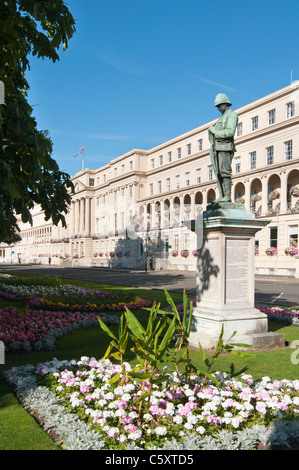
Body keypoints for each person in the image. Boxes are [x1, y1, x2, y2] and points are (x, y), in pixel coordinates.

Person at [208, 93, 238, 203]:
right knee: (219, 173)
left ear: (225, 104)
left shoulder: (232, 115)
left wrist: (214, 131)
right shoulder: (222, 117)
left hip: (225, 148)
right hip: (218, 148)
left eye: (219, 106)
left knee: (225, 172)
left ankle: (228, 196)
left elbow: (230, 132)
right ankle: (222, 195)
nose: (218, 108)